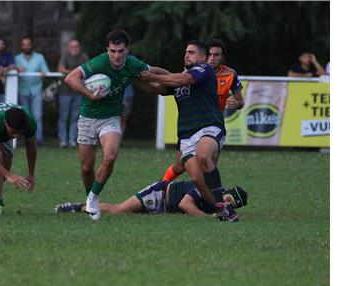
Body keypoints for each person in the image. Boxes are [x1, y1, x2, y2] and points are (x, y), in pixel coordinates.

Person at [64, 29, 170, 220]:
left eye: (120, 51)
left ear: (127, 50)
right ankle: (90, 197)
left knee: (110, 157)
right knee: (87, 167)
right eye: (113, 51)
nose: (116, 55)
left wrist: (177, 79)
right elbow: (70, 78)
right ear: (108, 50)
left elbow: (153, 71)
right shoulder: (99, 62)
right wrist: (90, 95)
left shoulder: (132, 64)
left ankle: (94, 198)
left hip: (111, 118)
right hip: (88, 117)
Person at [141, 40, 228, 215]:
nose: (186, 54)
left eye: (191, 52)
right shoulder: (180, 79)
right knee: (199, 182)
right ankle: (221, 212)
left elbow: (181, 79)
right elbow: (156, 88)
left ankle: (225, 209)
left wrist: (151, 76)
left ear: (203, 57)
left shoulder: (204, 70)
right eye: (186, 52)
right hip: (187, 135)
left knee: (203, 156)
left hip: (209, 126)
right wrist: (135, 74)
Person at [161, 39, 245, 190]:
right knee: (179, 166)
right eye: (210, 54)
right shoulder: (196, 71)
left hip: (212, 123)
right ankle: (161, 185)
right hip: (194, 124)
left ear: (222, 57)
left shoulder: (230, 75)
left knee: (207, 162)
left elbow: (241, 102)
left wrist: (237, 103)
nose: (212, 58)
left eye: (216, 55)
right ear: (204, 56)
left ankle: (205, 199)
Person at [54, 180, 247, 221]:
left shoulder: (221, 205)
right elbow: (184, 204)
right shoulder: (208, 189)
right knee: (119, 210)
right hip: (159, 195)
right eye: (229, 199)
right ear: (225, 192)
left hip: (166, 209)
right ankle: (75, 207)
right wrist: (209, 217)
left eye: (232, 204)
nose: (228, 204)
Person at [14, 36, 50, 145]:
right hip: (23, 90)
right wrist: (16, 69)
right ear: (21, 46)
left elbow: (46, 71)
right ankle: (26, 139)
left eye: (28, 44)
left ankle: (38, 140)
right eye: (24, 44)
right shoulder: (17, 58)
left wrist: (44, 73)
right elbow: (11, 71)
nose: (26, 46)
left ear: (31, 45)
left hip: (36, 90)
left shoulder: (39, 57)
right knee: (24, 116)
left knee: (37, 116)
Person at [57, 37, 89, 148]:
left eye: (76, 46)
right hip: (65, 92)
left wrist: (73, 74)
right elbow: (60, 68)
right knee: (63, 117)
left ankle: (72, 140)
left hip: (78, 92)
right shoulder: (65, 55)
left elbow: (89, 69)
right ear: (68, 47)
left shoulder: (83, 56)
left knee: (75, 118)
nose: (74, 48)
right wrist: (74, 73)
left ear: (79, 47)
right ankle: (62, 141)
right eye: (72, 46)